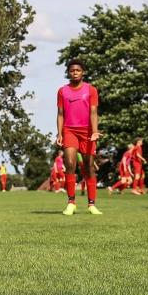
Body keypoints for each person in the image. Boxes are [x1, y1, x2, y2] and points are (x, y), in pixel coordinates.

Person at [56, 59, 102, 215]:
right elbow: (60, 114)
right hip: (69, 131)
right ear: (68, 73)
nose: (75, 73)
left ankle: (91, 204)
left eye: (78, 70)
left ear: (83, 72)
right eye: (72, 70)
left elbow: (93, 112)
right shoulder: (62, 91)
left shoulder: (91, 90)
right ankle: (71, 202)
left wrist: (95, 131)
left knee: (89, 166)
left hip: (87, 132)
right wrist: (59, 133)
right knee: (70, 163)